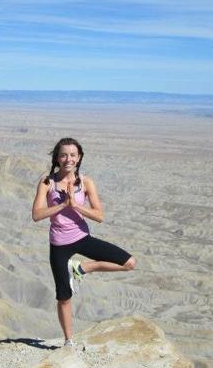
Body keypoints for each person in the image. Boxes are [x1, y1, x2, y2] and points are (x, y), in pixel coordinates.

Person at [31, 137, 136, 347]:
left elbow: (99, 215)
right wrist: (63, 205)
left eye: (72, 155)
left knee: (129, 263)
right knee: (64, 297)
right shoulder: (47, 182)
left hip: (82, 238)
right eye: (63, 155)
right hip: (59, 244)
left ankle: (81, 269)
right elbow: (36, 214)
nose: (68, 159)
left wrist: (75, 206)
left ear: (79, 158)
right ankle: (69, 341)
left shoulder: (86, 183)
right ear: (57, 158)